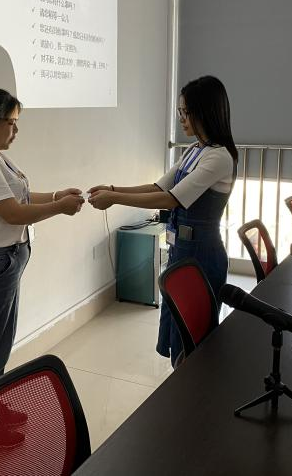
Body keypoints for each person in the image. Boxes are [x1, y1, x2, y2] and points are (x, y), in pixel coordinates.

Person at [0, 87, 84, 447]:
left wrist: (56, 195)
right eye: (10, 123)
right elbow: (12, 213)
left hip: (4, 262)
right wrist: (59, 208)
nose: (16, 130)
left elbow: (19, 197)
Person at [88, 75, 238, 367]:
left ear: (205, 111)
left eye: (185, 112)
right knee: (178, 334)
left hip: (202, 256)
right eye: (179, 111)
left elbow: (171, 199)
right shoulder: (194, 151)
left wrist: (114, 199)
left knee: (195, 340)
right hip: (181, 251)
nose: (181, 119)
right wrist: (113, 189)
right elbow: (157, 187)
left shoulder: (219, 157)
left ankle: (192, 392)